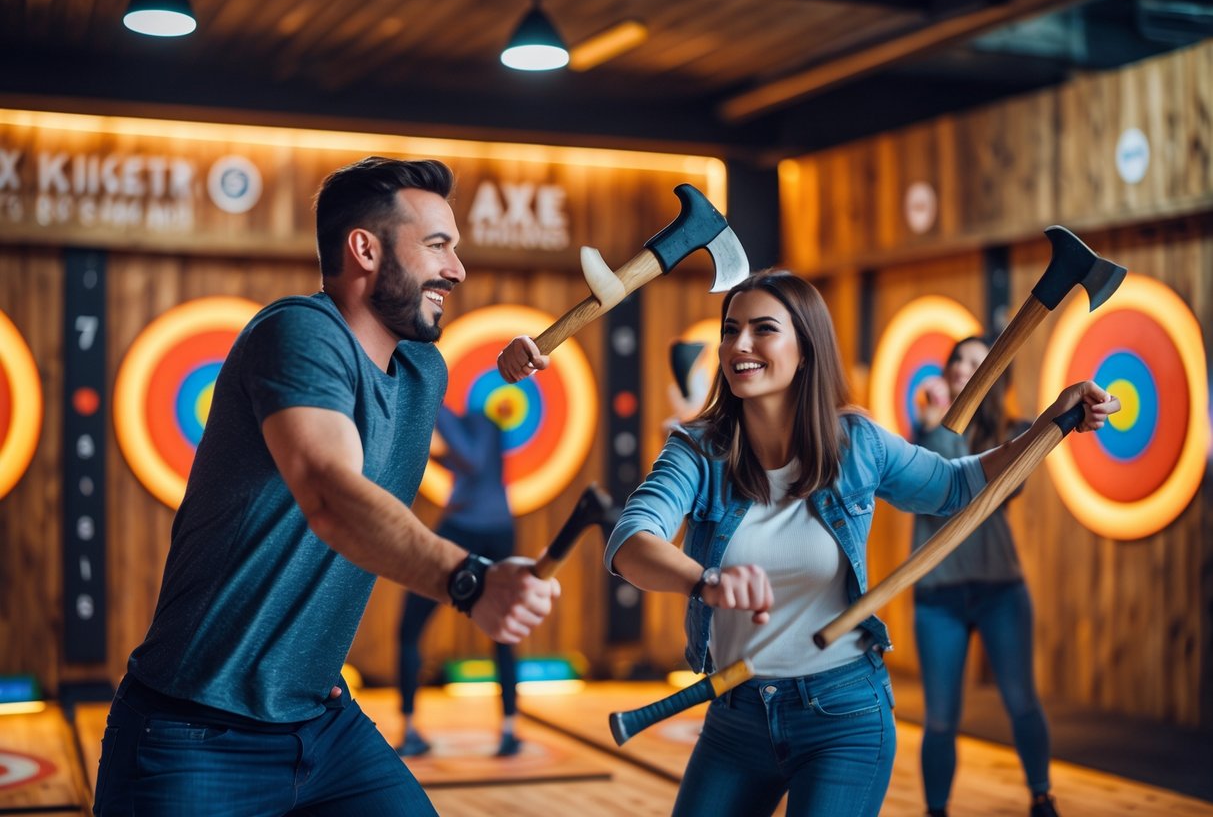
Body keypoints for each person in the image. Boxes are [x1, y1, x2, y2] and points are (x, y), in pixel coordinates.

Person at [499, 269, 1118, 817]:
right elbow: (632, 541)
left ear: (805, 349)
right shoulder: (697, 449)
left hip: (844, 715)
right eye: (730, 328)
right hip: (736, 715)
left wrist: (1050, 424)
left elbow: (955, 486)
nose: (739, 344)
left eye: (763, 329)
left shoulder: (858, 443)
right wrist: (704, 581)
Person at [93, 157, 560, 816]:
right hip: (196, 729)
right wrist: (469, 579)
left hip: (321, 723)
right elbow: (328, 491)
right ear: (364, 249)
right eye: (437, 246)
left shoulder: (422, 371)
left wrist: (509, 359)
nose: (457, 269)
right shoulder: (297, 331)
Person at [912, 336, 1059, 817]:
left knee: (1021, 700)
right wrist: (934, 423)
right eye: (957, 359)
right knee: (939, 718)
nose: (961, 367)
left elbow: (989, 488)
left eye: (976, 362)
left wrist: (943, 425)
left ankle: (1042, 797)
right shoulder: (923, 433)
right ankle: (936, 810)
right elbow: (931, 485)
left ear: (994, 374)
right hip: (938, 597)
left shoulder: (1011, 433)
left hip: (1000, 589)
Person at [397, 406, 523, 758]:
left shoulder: (450, 411)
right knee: (505, 631)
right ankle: (510, 729)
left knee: (409, 631)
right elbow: (467, 462)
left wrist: (433, 409)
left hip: (466, 529)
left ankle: (409, 730)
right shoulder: (488, 423)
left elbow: (469, 461)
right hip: (501, 529)